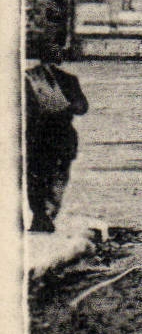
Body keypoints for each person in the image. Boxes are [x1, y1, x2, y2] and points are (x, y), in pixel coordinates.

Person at [25, 44, 89, 233]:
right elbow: (82, 108)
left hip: (37, 135)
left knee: (36, 176)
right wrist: (65, 107)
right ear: (58, 57)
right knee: (58, 176)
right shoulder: (69, 79)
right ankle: (47, 213)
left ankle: (40, 215)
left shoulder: (28, 78)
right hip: (62, 135)